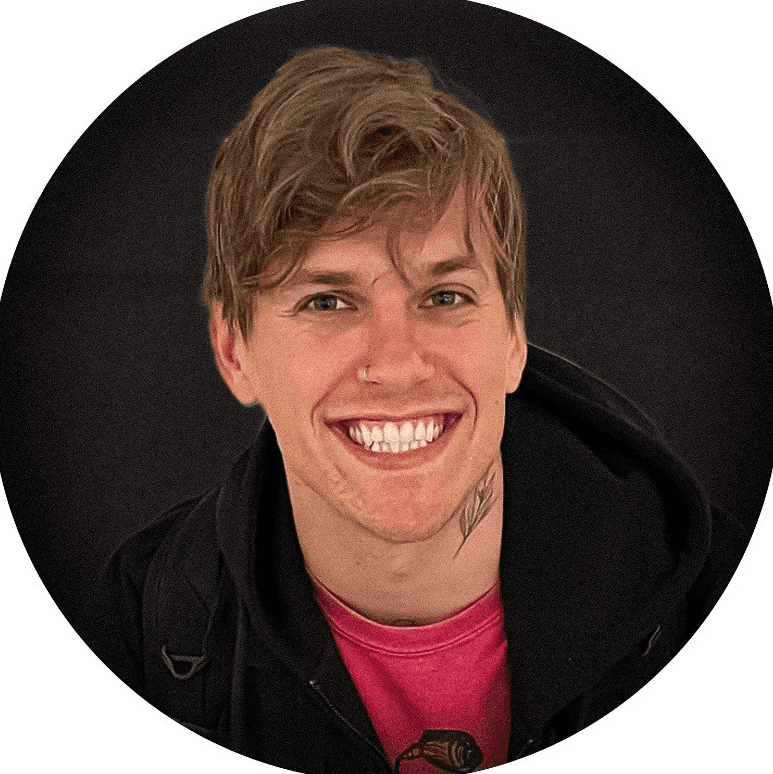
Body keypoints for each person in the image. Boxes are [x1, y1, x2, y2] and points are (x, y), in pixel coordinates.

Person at [80, 47, 748, 773]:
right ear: (235, 351)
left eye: (444, 297)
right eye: (327, 301)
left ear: (513, 340)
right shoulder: (145, 621)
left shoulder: (718, 602)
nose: (396, 362)